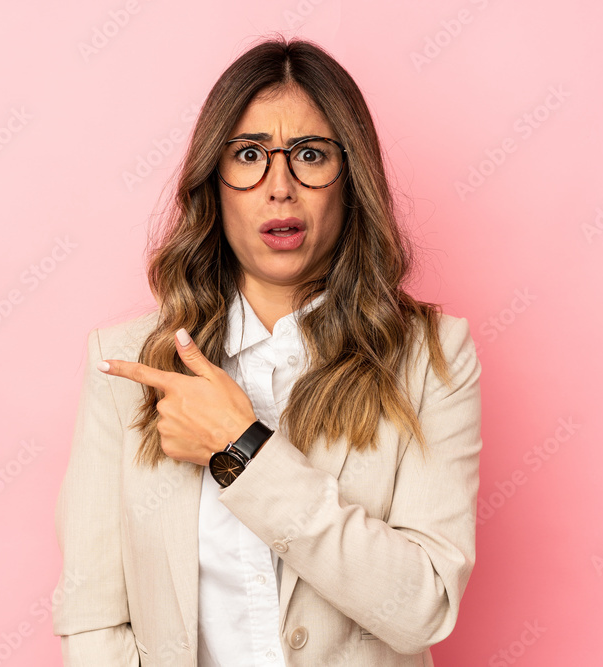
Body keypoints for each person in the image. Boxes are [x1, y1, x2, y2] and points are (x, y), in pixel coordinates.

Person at [52, 36, 483, 667]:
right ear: (214, 182)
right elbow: (93, 615)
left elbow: (422, 606)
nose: (279, 186)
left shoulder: (432, 358)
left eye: (309, 154)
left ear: (351, 178)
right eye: (249, 155)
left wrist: (241, 447)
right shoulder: (124, 362)